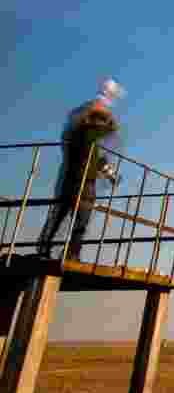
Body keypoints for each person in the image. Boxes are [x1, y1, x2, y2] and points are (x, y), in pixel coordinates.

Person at [37, 78, 122, 261]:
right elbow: (108, 129)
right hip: (78, 181)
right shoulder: (83, 133)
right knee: (73, 218)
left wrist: (110, 174)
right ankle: (66, 252)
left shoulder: (85, 138)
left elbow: (97, 158)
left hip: (81, 180)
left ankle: (54, 249)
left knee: (66, 216)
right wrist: (102, 109)